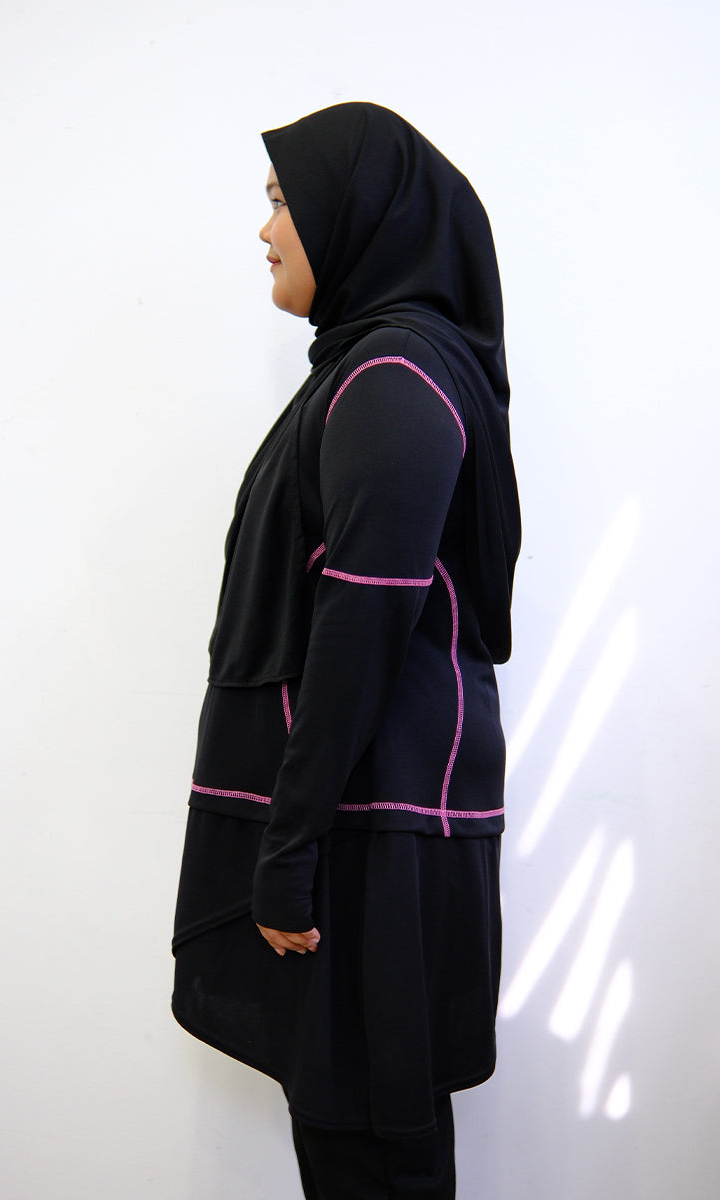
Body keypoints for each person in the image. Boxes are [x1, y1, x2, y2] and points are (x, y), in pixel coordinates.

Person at [171, 101, 520, 1200]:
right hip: (361, 825)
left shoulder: (392, 380)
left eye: (283, 201)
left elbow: (360, 632)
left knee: (370, 1149)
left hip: (366, 839)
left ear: (354, 212)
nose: (265, 229)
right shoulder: (373, 371)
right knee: (361, 1141)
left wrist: (286, 855)